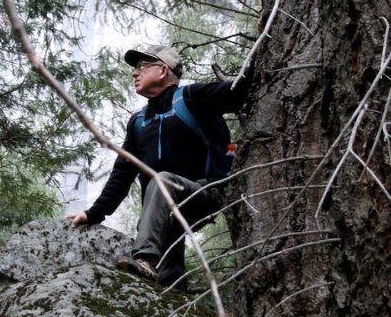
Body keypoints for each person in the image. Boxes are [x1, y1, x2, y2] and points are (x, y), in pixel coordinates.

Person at [67, 45, 255, 292]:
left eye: (142, 67)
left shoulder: (192, 98)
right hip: (163, 213)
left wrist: (262, 46)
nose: (134, 73)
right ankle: (177, 307)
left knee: (162, 181)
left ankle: (145, 259)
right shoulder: (138, 122)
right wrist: (94, 213)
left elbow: (237, 93)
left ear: (163, 70)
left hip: (204, 193)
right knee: (169, 277)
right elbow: (122, 174)